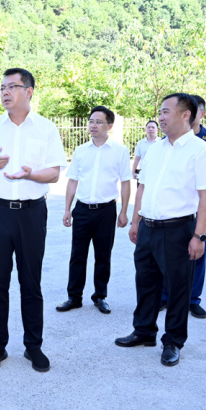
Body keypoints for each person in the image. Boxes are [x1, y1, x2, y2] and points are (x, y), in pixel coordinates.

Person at [0, 68, 67, 373]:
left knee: (30, 282)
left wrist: (29, 174)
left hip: (32, 212)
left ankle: (33, 346)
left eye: (13, 86)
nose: (5, 92)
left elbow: (53, 173)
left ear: (30, 91)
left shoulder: (46, 129)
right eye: (2, 87)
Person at [115, 93, 206, 367]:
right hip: (148, 227)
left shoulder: (201, 152)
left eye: (165, 112)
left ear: (186, 115)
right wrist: (136, 221)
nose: (160, 117)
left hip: (178, 230)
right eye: (159, 113)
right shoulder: (155, 149)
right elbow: (143, 188)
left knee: (177, 288)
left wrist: (199, 236)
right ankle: (144, 331)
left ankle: (173, 341)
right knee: (146, 281)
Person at [160, 95, 206, 318]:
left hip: (199, 210)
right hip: (173, 211)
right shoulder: (169, 140)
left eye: (199, 110)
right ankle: (164, 296)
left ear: (201, 113)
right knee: (166, 255)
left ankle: (192, 299)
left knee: (197, 253)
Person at [57, 105, 132, 315]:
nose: (93, 125)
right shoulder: (80, 151)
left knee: (103, 255)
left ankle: (100, 296)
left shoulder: (120, 151)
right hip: (82, 210)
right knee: (77, 255)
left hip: (106, 211)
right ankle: (74, 297)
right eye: (91, 121)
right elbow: (72, 181)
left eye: (98, 122)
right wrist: (67, 209)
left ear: (109, 125)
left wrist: (124, 211)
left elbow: (126, 182)